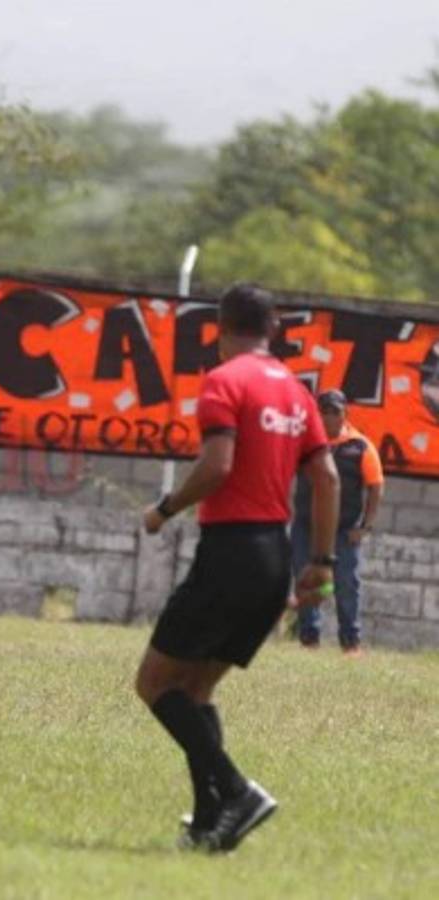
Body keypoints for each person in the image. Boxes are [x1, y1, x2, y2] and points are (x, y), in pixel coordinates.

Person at [137, 283, 340, 853]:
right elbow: (326, 479)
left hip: (230, 551)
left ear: (221, 329)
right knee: (196, 691)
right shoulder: (298, 395)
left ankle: (236, 790)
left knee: (153, 683)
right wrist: (320, 563)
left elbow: (218, 464)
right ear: (272, 330)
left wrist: (165, 509)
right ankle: (209, 824)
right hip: (275, 557)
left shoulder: (225, 381)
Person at [290, 389, 383, 656]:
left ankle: (350, 642)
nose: (330, 417)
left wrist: (365, 526)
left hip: (344, 531)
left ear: (346, 414)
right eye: (325, 412)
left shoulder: (361, 446)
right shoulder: (306, 443)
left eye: (336, 412)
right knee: (307, 581)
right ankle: (309, 639)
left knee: (345, 584)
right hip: (307, 527)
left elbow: (376, 487)